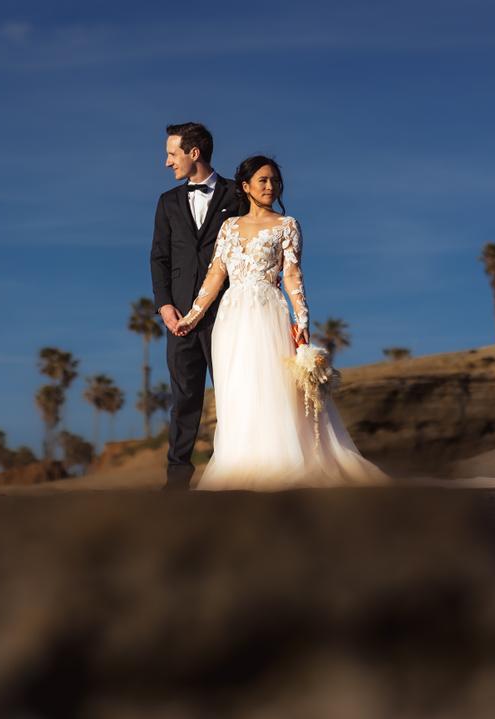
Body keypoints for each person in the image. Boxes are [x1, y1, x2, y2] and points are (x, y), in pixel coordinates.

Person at [174, 155, 391, 490]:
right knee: (239, 388)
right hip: (231, 318)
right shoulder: (229, 227)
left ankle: (280, 462)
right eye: (263, 180)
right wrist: (192, 316)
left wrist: (302, 318)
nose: (270, 186)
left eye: (275, 180)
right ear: (245, 186)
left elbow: (291, 274)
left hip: (268, 313)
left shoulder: (287, 224)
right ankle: (239, 462)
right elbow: (216, 274)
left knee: (273, 386)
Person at [150, 122, 245, 491]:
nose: (166, 161)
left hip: (227, 315)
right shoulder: (167, 202)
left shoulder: (238, 195)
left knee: (233, 394)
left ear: (194, 153)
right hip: (181, 321)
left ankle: (235, 471)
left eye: (172, 153)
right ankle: (177, 483)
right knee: (184, 398)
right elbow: (158, 257)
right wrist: (165, 306)